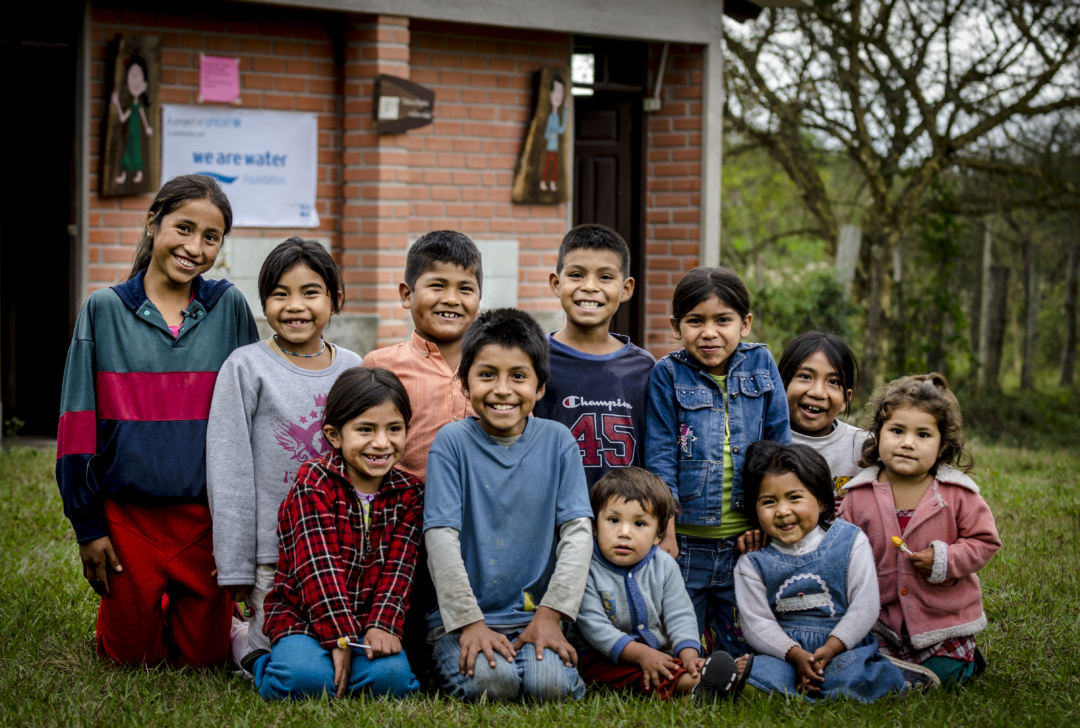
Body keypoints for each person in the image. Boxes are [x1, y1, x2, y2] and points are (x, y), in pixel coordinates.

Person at [56, 174, 259, 666]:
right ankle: (147, 604)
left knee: (205, 659)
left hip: (204, 523)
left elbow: (255, 412)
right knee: (128, 659)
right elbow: (77, 423)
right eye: (183, 228)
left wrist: (242, 533)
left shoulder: (228, 306)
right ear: (153, 223)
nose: (195, 247)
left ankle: (193, 609)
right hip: (128, 522)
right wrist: (88, 527)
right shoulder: (103, 309)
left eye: (211, 238)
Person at [206, 237, 362, 675]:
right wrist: (235, 565)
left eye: (310, 292)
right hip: (271, 555)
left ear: (335, 300)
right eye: (280, 293)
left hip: (338, 550)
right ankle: (242, 638)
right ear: (264, 303)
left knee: (334, 651)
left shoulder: (353, 367)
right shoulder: (246, 366)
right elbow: (229, 468)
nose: (295, 305)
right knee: (276, 657)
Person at [424, 308, 593, 702]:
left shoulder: (558, 442)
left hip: (536, 616)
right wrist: (470, 623)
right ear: (464, 384)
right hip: (462, 622)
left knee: (548, 687)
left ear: (539, 387)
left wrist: (551, 615)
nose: (502, 389)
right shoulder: (451, 444)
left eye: (518, 376)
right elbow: (441, 538)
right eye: (487, 375)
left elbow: (578, 533)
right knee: (494, 684)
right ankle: (447, 659)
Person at [644, 265, 790, 658]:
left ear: (745, 323)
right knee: (680, 644)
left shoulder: (762, 365)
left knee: (742, 647)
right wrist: (667, 531)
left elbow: (779, 452)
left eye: (722, 320)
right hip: (686, 541)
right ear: (676, 326)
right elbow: (660, 457)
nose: (709, 332)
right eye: (695, 321)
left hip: (745, 542)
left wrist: (767, 525)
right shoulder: (667, 374)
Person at [254, 367, 422, 700]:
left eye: (394, 429)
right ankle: (260, 661)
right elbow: (317, 568)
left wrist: (383, 623)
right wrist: (340, 638)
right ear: (334, 435)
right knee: (306, 681)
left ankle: (349, 669)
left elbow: (401, 571)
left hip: (368, 619)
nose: (381, 443)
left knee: (394, 682)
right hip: (303, 617)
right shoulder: (314, 482)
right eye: (365, 429)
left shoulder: (410, 493)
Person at [361, 229, 482, 686]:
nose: (451, 299)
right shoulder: (381, 365)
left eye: (465, 288)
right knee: (405, 628)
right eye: (437, 285)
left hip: (476, 527)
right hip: (399, 530)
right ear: (406, 293)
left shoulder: (492, 367)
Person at [734, 441, 937, 701]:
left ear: (820, 501)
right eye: (769, 502)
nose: (783, 511)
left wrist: (830, 650)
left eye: (794, 497)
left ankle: (890, 676)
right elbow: (756, 624)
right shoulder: (753, 562)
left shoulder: (850, 542)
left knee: (849, 673)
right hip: (783, 654)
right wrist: (796, 656)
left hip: (843, 649)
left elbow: (865, 606)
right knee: (758, 671)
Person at [838, 373, 1001, 687]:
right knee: (857, 658)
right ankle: (897, 671)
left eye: (923, 434)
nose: (907, 443)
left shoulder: (956, 493)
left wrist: (945, 559)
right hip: (881, 620)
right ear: (878, 434)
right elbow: (841, 548)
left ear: (942, 447)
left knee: (946, 672)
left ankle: (952, 666)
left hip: (940, 618)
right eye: (897, 431)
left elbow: (984, 541)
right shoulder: (859, 495)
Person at [570, 467, 744, 702]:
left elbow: (680, 614)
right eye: (613, 520)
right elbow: (595, 627)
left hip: (659, 652)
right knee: (628, 674)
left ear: (658, 535)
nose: (624, 533)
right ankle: (691, 685)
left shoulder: (664, 565)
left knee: (669, 664)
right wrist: (642, 655)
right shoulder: (587, 567)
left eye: (639, 524)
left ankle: (695, 678)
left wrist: (689, 655)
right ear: (594, 526)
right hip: (602, 655)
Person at [534, 224, 655, 489]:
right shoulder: (533, 358)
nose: (590, 287)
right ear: (556, 283)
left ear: (626, 288)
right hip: (553, 522)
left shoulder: (645, 369)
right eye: (576, 275)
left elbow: (657, 455)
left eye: (605, 277)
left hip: (625, 522)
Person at [777, 332, 868, 501]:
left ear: (846, 399)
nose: (818, 392)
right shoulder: (762, 438)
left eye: (833, 382)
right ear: (781, 384)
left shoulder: (865, 447)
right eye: (805, 376)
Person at [111, 55, 153, 185]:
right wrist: (117, 103)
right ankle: (124, 175)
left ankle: (139, 173)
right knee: (128, 152)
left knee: (136, 152)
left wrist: (147, 127)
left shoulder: (139, 106)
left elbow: (143, 118)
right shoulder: (131, 105)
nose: (135, 81)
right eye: (131, 76)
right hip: (129, 133)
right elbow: (123, 118)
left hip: (136, 133)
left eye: (138, 76)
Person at [540, 74, 567, 192]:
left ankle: (552, 183)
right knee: (547, 163)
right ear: (551, 94)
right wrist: (548, 136)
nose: (557, 97)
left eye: (560, 93)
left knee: (554, 165)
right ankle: (543, 182)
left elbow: (561, 129)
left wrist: (565, 111)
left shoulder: (557, 117)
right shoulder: (551, 117)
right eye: (556, 92)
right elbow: (547, 130)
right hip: (549, 144)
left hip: (555, 145)